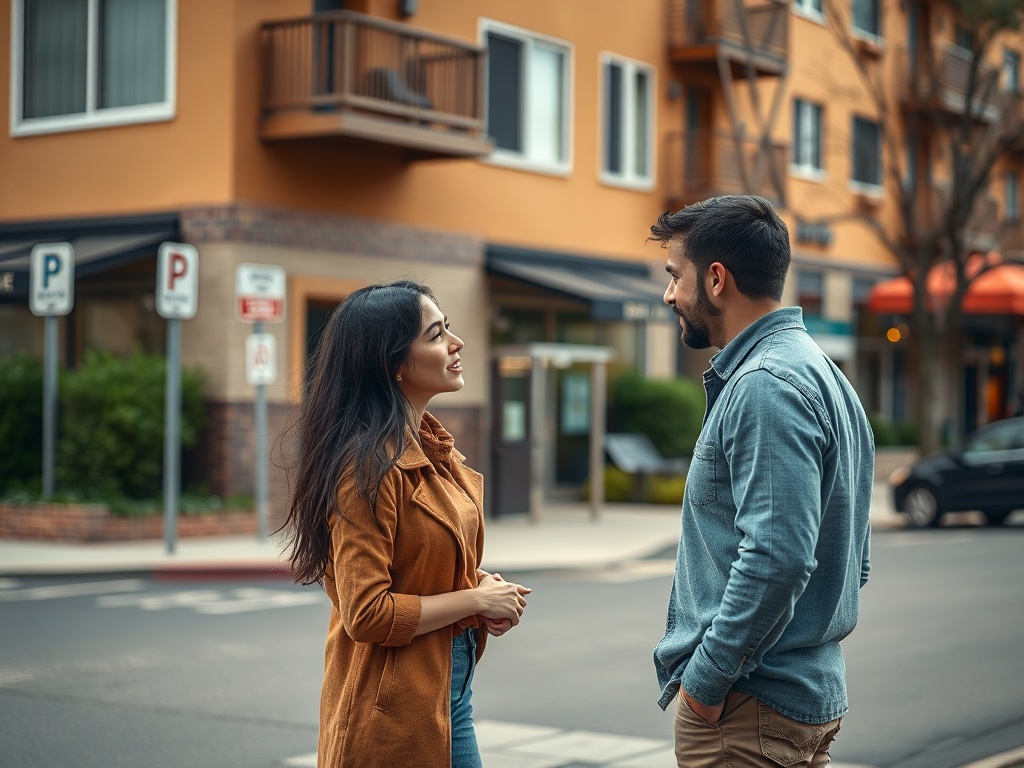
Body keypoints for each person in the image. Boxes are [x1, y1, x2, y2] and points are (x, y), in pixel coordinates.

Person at [649, 196, 874, 767]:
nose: (669, 294)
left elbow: (778, 557)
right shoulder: (824, 374)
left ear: (716, 279)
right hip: (795, 696)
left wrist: (705, 682)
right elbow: (854, 557)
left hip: (748, 710)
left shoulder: (764, 384)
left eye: (676, 275)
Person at [284, 280, 531, 768]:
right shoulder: (365, 469)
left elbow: (420, 564)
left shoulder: (432, 451)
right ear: (394, 363)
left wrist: (478, 588)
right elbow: (367, 612)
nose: (456, 344)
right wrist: (476, 599)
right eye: (436, 334)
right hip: (391, 712)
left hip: (447, 691)